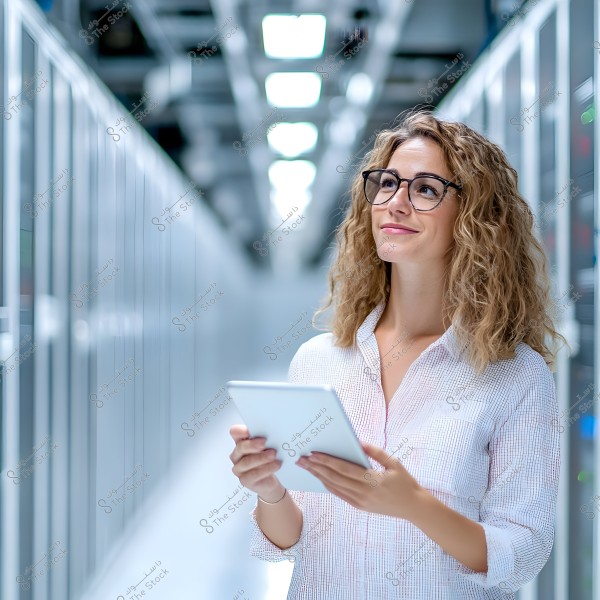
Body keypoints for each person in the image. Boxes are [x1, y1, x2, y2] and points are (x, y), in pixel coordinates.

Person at [229, 108, 569, 599]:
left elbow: (522, 554)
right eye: (387, 184)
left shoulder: (515, 377)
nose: (397, 203)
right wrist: (268, 489)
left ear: (475, 216)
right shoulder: (320, 361)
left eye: (426, 189)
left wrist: (412, 504)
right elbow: (294, 538)